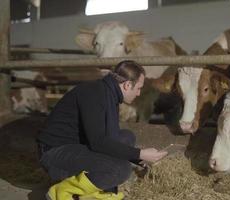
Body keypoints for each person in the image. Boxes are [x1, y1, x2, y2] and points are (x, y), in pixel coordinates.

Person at [36, 60, 168, 200]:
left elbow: (108, 139)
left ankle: (93, 190)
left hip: (75, 147)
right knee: (120, 169)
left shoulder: (108, 93)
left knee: (126, 137)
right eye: (139, 88)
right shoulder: (94, 94)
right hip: (54, 154)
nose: (139, 93)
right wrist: (140, 153)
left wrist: (139, 159)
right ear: (128, 85)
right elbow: (98, 142)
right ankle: (60, 192)